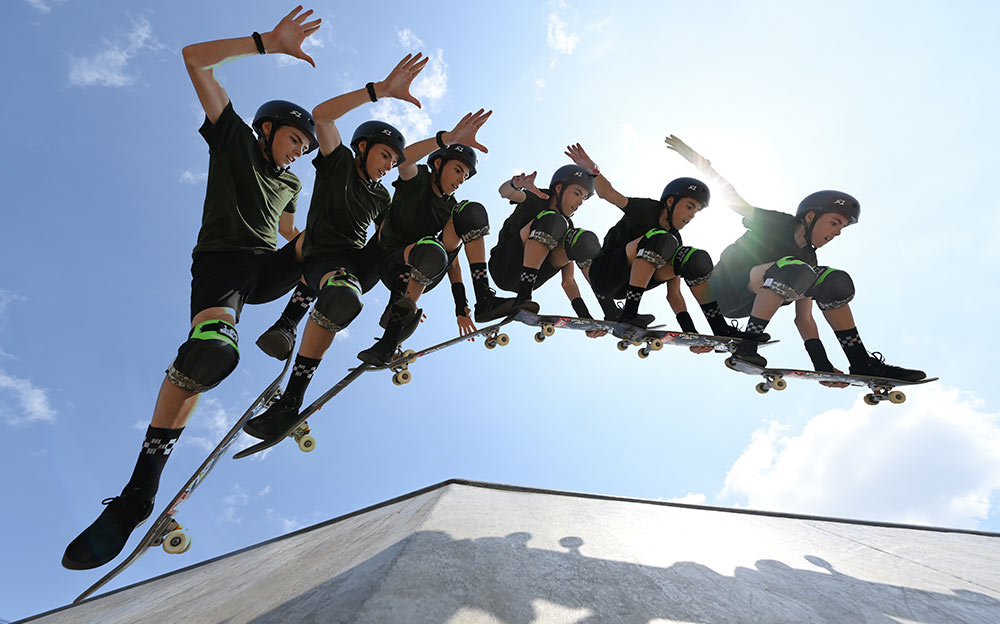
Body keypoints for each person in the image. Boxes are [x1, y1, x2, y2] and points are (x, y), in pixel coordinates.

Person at [63, 6, 322, 570]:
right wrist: (266, 44)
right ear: (268, 130)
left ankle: (286, 326)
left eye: (306, 143)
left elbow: (286, 230)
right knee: (211, 352)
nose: (299, 149)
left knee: (330, 242)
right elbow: (194, 60)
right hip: (223, 268)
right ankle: (140, 491)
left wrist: (317, 250)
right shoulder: (233, 140)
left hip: (266, 269)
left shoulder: (292, 180)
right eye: (294, 138)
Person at [241, 54, 429, 440]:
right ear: (363, 147)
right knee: (342, 295)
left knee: (413, 239)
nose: (388, 165)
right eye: (384, 155)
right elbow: (321, 116)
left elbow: (386, 244)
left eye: (395, 162)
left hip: (359, 264)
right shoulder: (338, 162)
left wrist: (405, 292)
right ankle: (290, 398)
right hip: (324, 258)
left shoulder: (382, 198)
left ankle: (394, 323)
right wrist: (379, 91)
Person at [665, 135, 925, 381]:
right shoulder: (778, 223)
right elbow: (734, 199)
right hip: (721, 290)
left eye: (842, 228)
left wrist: (821, 365)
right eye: (835, 223)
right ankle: (748, 347)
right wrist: (700, 162)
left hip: (751, 303)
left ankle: (860, 360)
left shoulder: (807, 260)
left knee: (832, 281)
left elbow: (804, 318)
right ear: (811, 217)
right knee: (792, 269)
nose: (837, 233)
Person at [356, 111, 538, 364]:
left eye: (465, 175)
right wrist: (448, 138)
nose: (461, 179)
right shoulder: (416, 179)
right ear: (439, 164)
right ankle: (390, 339)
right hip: (391, 263)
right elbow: (404, 159)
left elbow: (452, 259)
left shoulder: (450, 208)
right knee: (428, 247)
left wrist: (460, 305)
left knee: (469, 211)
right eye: (457, 170)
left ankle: (484, 299)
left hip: (427, 265)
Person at [565, 143, 757, 340]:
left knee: (693, 259)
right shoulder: (646, 209)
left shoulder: (675, 239)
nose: (691, 215)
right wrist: (592, 170)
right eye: (689, 207)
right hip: (604, 274)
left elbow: (674, 294)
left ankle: (719, 327)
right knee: (661, 239)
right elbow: (609, 194)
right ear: (672, 201)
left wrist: (690, 333)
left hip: (626, 286)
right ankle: (629, 314)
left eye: (696, 211)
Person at [488, 165, 604, 322]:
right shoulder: (537, 197)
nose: (580, 202)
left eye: (583, 198)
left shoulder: (567, 226)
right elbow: (505, 192)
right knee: (553, 219)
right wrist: (516, 184)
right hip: (504, 266)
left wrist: (584, 317)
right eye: (577, 193)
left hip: (535, 277)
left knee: (582, 240)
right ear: (559, 188)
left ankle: (609, 308)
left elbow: (568, 281)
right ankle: (524, 296)